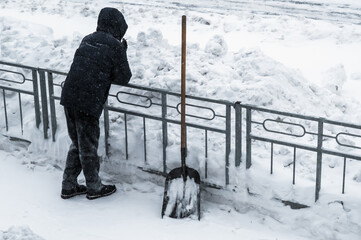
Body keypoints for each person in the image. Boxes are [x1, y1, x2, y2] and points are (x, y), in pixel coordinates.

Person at [60, 7, 132, 200]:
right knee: (88, 146)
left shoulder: (88, 38)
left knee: (78, 142)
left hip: (69, 96)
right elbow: (124, 78)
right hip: (88, 100)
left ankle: (68, 185)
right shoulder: (116, 46)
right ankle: (94, 186)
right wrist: (122, 52)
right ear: (117, 27)